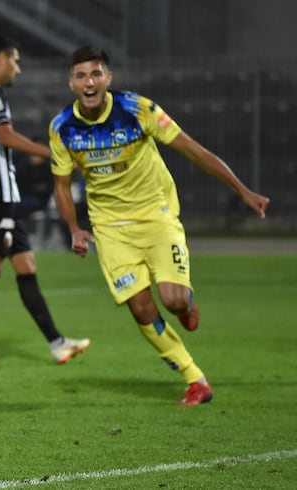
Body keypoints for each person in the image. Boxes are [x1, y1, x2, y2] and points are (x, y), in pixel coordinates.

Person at [49, 46, 270, 405]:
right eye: (81, 75)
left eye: (96, 74)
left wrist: (242, 190)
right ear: (71, 83)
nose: (89, 82)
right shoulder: (62, 128)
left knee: (172, 299)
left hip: (156, 215)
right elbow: (61, 185)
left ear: (108, 78)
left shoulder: (138, 109)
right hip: (110, 228)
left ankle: (185, 304)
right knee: (140, 308)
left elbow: (193, 150)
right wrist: (75, 229)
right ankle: (194, 377)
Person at [0, 36, 91, 368]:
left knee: (25, 264)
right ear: (0, 59)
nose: (18, 69)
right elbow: (6, 136)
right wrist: (54, 153)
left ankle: (57, 343)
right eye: (15, 61)